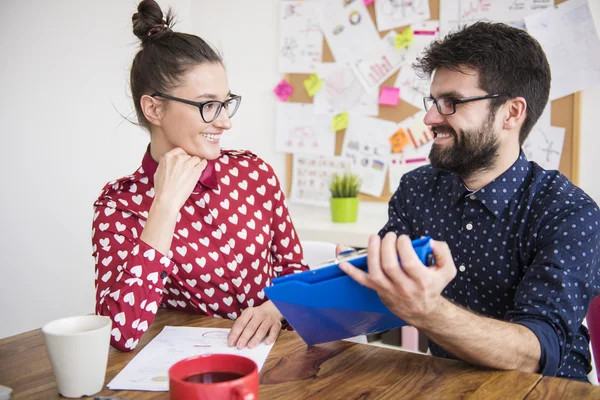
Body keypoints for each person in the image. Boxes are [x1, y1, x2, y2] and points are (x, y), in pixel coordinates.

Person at [339, 22, 600, 382]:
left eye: (452, 103)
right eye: (433, 101)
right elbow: (385, 290)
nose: (430, 117)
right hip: (450, 385)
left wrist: (429, 311)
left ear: (512, 113)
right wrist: (306, 297)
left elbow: (537, 352)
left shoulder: (569, 213)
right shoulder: (417, 190)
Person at [92, 0, 307, 352]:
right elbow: (120, 334)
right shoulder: (119, 207)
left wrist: (274, 308)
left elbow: (295, 271)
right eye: (208, 105)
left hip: (280, 361)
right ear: (155, 108)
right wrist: (163, 208)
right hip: (195, 373)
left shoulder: (254, 173)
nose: (225, 121)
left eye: (226, 103)